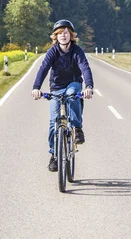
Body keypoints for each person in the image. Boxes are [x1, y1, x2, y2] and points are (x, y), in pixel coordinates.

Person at [31, 19, 94, 172]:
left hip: (73, 83)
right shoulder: (52, 51)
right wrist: (36, 87)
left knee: (72, 94)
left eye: (66, 32)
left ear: (71, 35)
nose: (63, 35)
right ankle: (54, 155)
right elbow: (43, 68)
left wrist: (89, 86)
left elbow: (84, 67)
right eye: (59, 33)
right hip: (57, 87)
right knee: (53, 123)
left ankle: (77, 129)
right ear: (56, 37)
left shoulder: (76, 51)